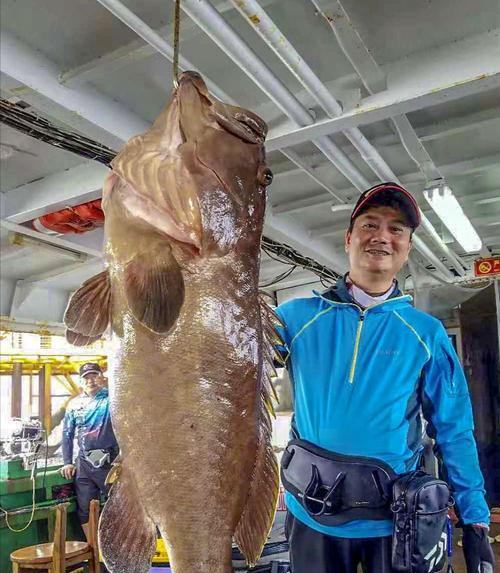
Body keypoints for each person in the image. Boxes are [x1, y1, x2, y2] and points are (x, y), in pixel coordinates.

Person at [275, 182, 495, 573]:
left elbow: (454, 429)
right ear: (348, 238)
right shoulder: (295, 318)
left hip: (395, 520)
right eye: (370, 224)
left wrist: (475, 516)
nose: (382, 236)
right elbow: (227, 362)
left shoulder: (425, 333)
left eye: (397, 229)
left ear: (408, 247)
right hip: (312, 513)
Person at [60, 362, 118, 539]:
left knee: (119, 505)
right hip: (84, 464)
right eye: (86, 377)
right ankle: (94, 550)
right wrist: (67, 462)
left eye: (94, 375)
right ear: (80, 381)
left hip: (111, 462)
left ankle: (119, 547)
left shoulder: (112, 399)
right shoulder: (73, 405)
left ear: (102, 377)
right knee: (85, 508)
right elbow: (67, 434)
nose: (90, 380)